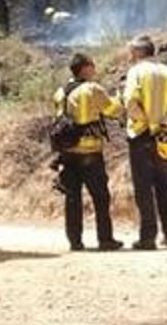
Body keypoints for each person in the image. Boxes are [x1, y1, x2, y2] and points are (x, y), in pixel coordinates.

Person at [123, 35, 167, 250]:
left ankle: (147, 238)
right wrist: (164, 124)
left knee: (144, 188)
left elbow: (130, 102)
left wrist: (147, 122)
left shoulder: (136, 72)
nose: (129, 55)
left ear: (138, 52)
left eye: (131, 51)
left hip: (141, 135)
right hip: (162, 136)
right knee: (165, 187)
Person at [53, 52, 124, 252]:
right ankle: (105, 239)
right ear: (85, 68)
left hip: (67, 152)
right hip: (90, 151)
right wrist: (120, 98)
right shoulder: (92, 89)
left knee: (72, 197)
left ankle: (75, 241)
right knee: (101, 197)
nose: (95, 68)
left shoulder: (60, 92)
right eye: (92, 64)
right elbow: (112, 110)